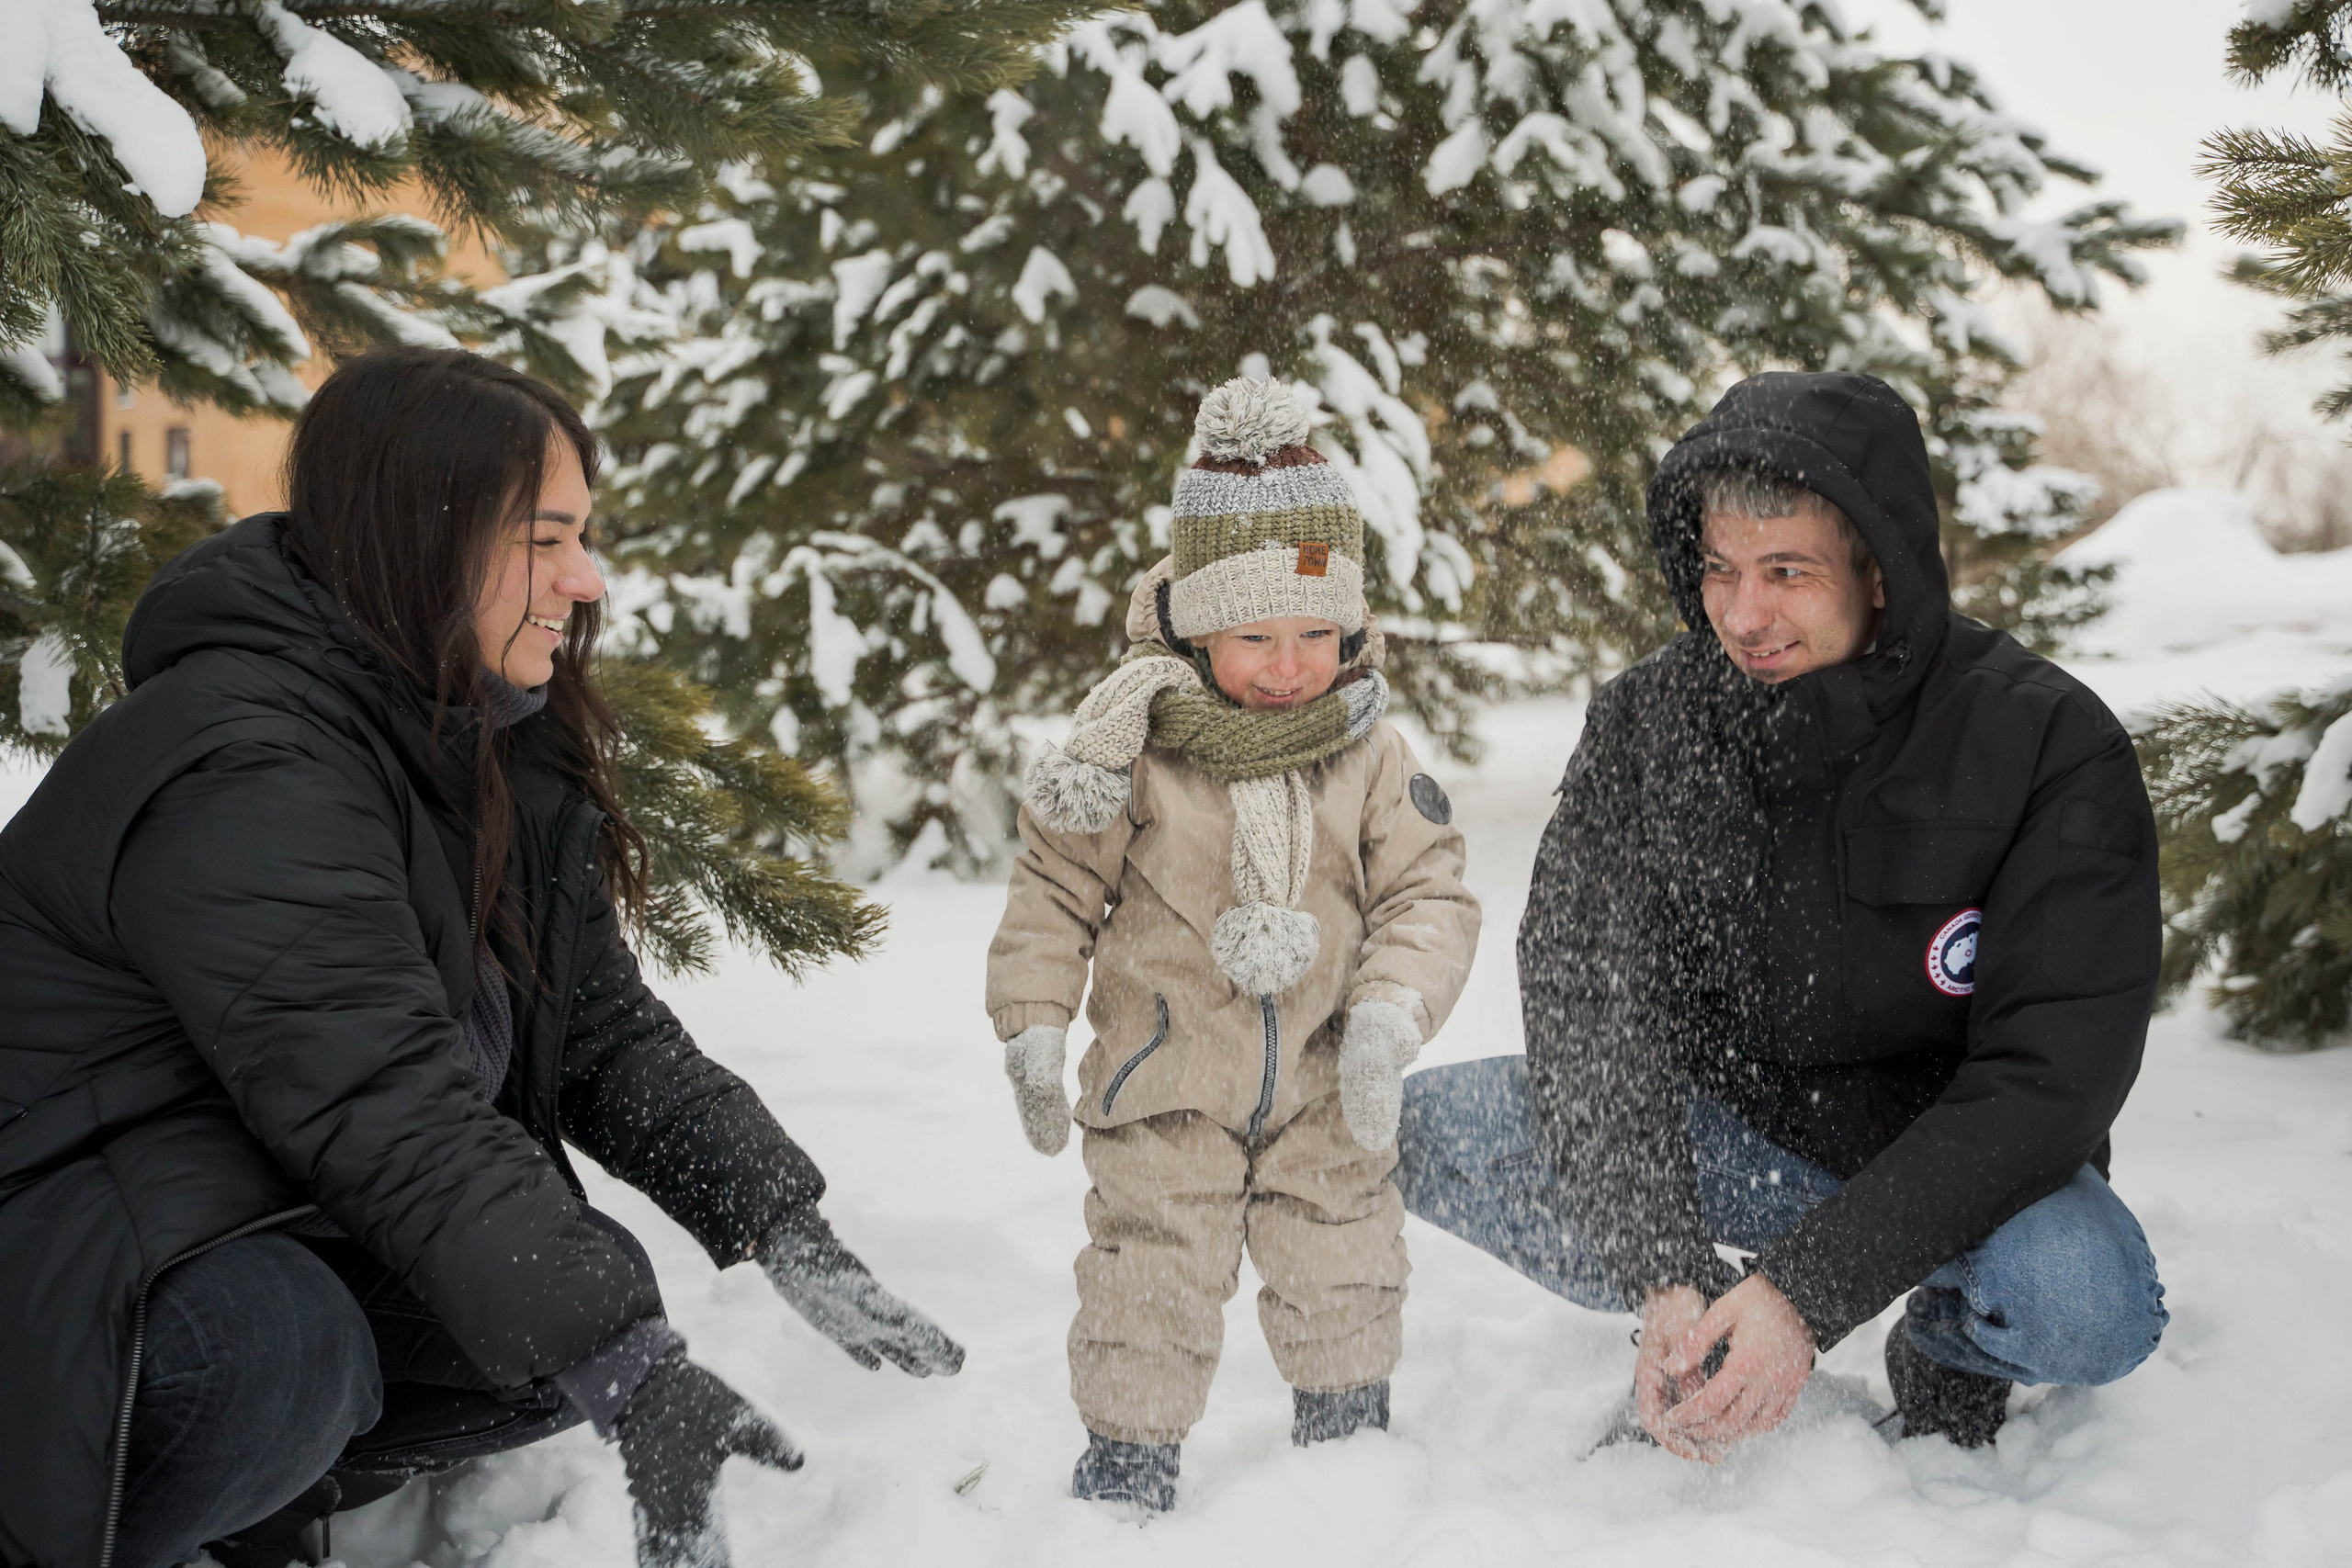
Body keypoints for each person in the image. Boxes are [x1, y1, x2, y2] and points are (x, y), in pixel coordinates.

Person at [0, 348, 963, 1568]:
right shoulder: (244, 759)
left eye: (586, 536)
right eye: (546, 538)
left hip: (228, 1217)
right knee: (290, 1352)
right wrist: (633, 1371)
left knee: (545, 1323)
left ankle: (243, 1501)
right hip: (59, 1251)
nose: (587, 579)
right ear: (424, 535)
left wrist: (779, 1217)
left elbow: (604, 1036)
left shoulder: (475, 743)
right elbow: (381, 1099)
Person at [1395, 371, 2167, 1460]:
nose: (1742, 614)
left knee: (2085, 1302)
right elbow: (1586, 1000)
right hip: (1732, 1135)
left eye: (1787, 573)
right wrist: (1660, 1262)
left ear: (1880, 572)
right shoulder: (1647, 726)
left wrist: (1809, 1292)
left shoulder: (2045, 743)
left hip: (1946, 1167)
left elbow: (2053, 1079)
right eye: (1718, 570)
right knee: (1418, 1133)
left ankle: (1945, 1341)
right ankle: (1710, 1328)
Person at [985, 377, 1482, 1512]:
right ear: (1195, 620)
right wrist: (1031, 1019)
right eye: (1255, 635)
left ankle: (1350, 1451)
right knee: (1149, 1271)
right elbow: (1055, 887)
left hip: (1322, 1075)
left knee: (1344, 1255)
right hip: (1162, 1080)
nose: (1290, 664)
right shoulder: (1134, 747)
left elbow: (1428, 894)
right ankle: (1128, 1467)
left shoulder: (1368, 751)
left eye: (1316, 633)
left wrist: (1391, 1015)